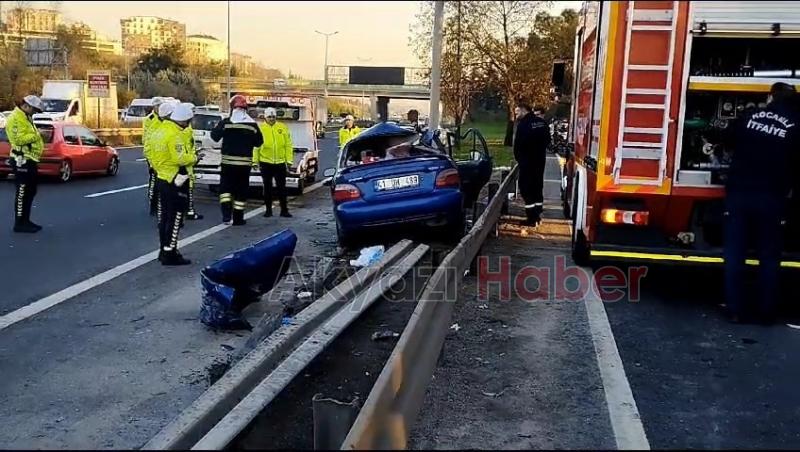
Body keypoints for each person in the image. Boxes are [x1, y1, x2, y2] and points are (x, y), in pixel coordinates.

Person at [724, 82, 800, 325]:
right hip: (772, 197)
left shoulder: (750, 116)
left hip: (739, 193)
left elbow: (727, 140)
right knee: (768, 257)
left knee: (735, 254)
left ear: (771, 97)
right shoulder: (796, 125)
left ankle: (735, 310)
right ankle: (766, 313)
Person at [151, 103, 198, 266]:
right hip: (175, 180)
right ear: (185, 120)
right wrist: (195, 158)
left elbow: (150, 153)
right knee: (175, 217)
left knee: (164, 217)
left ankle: (164, 250)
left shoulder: (159, 131)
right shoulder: (175, 134)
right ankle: (170, 253)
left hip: (162, 177)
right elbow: (180, 158)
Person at [210, 95, 263, 225]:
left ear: (232, 108)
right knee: (241, 191)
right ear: (246, 109)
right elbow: (259, 142)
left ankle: (226, 216)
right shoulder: (252, 125)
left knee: (225, 191)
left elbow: (214, 136)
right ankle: (238, 219)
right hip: (244, 166)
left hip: (228, 164)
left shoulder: (226, 123)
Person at [7, 95, 45, 233]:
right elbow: (18, 140)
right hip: (21, 160)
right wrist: (37, 135)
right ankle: (19, 223)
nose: (34, 113)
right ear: (27, 106)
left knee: (31, 191)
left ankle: (26, 220)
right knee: (23, 192)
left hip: (30, 159)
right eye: (34, 110)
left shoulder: (26, 118)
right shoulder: (15, 118)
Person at [513, 103, 551, 226]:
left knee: (525, 188)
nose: (516, 115)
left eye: (517, 112)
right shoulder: (541, 123)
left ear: (524, 110)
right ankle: (538, 213)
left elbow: (518, 144)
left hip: (527, 162)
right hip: (540, 160)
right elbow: (548, 141)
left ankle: (531, 218)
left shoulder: (523, 125)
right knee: (537, 186)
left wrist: (520, 159)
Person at [254, 107, 293, 218]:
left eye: (273, 117)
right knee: (267, 187)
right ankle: (268, 210)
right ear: (265, 117)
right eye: (269, 117)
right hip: (265, 162)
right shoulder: (260, 129)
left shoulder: (282, 127)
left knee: (282, 188)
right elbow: (256, 147)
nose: (271, 119)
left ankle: (284, 210)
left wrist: (289, 160)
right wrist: (255, 161)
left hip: (280, 162)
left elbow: (288, 145)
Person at [179, 103, 203, 220]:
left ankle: (186, 211)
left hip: (187, 161)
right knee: (188, 189)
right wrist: (194, 157)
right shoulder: (186, 130)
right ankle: (189, 211)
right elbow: (186, 147)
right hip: (186, 163)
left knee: (185, 190)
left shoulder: (184, 129)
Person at [143, 97, 166, 216]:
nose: (159, 108)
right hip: (152, 154)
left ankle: (160, 205)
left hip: (162, 154)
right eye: (157, 106)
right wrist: (150, 159)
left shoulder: (164, 119)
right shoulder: (150, 120)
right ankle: (153, 205)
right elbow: (148, 139)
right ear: (154, 107)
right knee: (153, 180)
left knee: (161, 181)